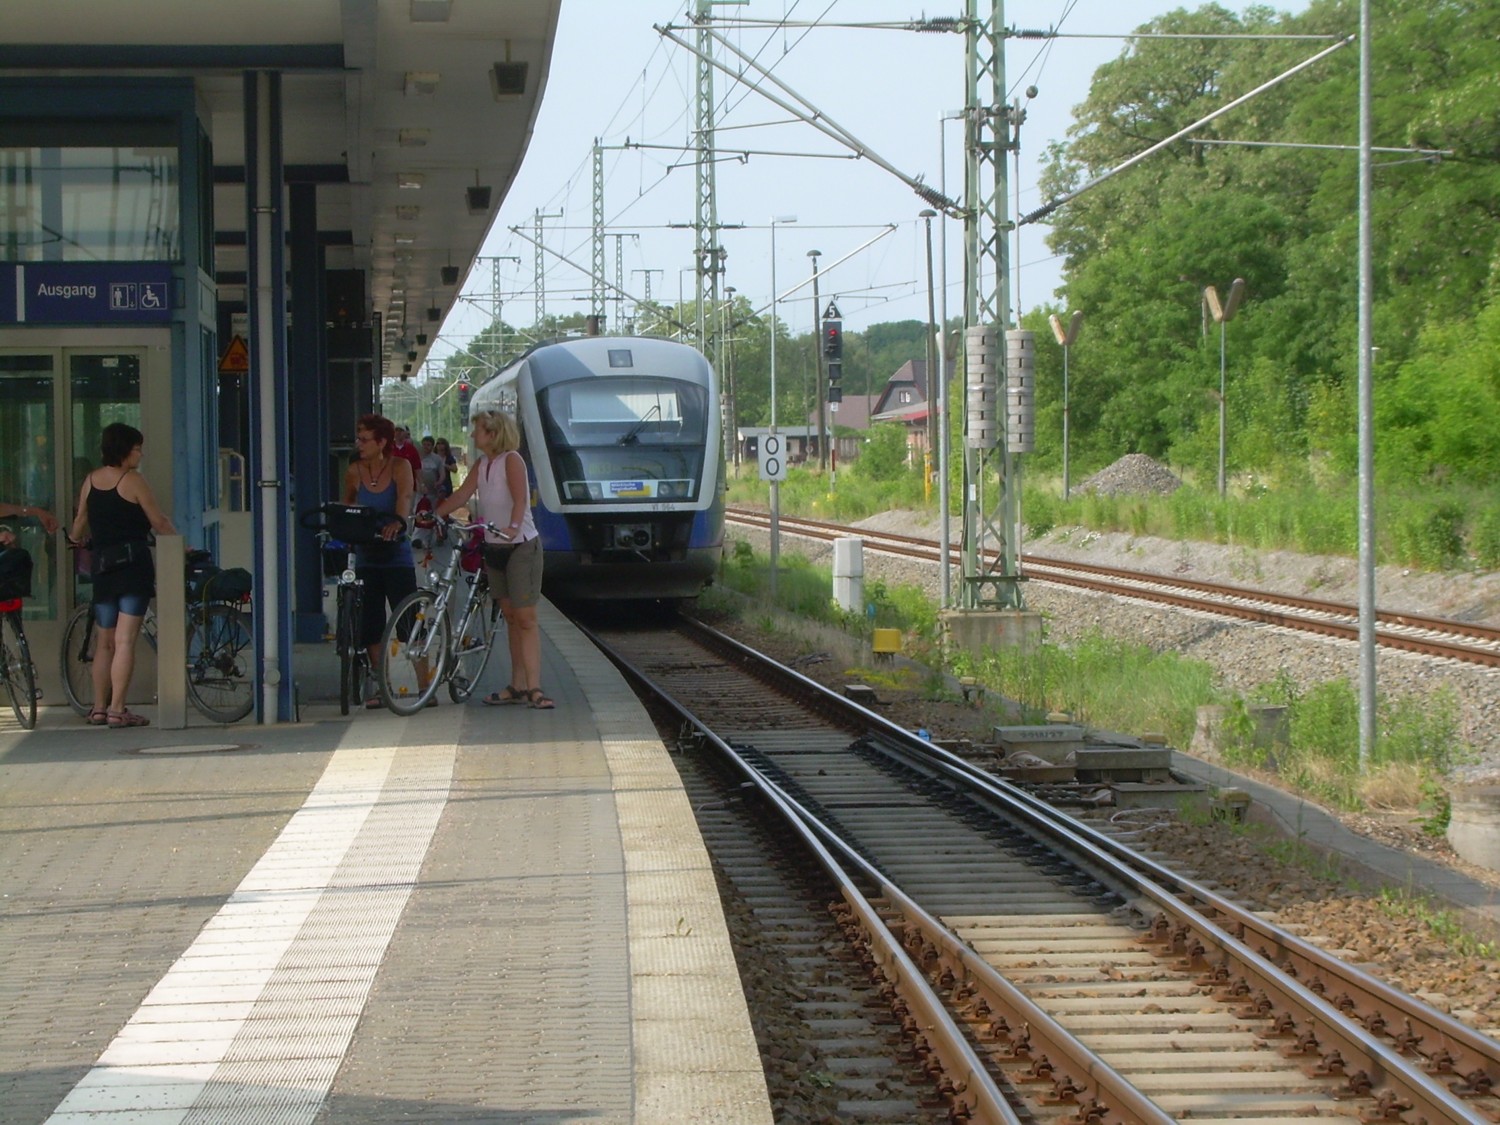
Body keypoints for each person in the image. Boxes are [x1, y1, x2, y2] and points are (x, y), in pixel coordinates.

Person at [431, 409, 551, 709]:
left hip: (520, 546)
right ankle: (517, 685)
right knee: (510, 616)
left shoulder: (512, 460)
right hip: (494, 548)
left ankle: (535, 688)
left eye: (478, 430)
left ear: (493, 434)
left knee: (525, 618)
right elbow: (462, 494)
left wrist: (513, 526)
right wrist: (435, 514)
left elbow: (521, 499)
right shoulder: (482, 464)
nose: (473, 435)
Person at [69, 422, 178, 729]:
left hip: (103, 568)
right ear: (124, 450)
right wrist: (179, 545)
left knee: (104, 642)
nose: (141, 454)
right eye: (137, 449)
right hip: (133, 568)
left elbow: (79, 522)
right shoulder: (134, 481)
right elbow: (158, 521)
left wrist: (75, 539)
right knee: (125, 640)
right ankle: (118, 709)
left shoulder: (91, 480)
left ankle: (99, 708)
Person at [343, 413, 425, 708]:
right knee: (371, 623)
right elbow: (348, 505)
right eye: (358, 438)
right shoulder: (354, 471)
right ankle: (382, 686)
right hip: (367, 554)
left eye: (364, 439)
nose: (359, 444)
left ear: (381, 442)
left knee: (408, 619)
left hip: (395, 554)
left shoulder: (400, 467)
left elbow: (404, 499)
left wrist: (398, 523)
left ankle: (424, 685)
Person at [390, 425, 425, 511]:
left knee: (407, 510)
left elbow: (417, 468)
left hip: (409, 486)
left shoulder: (411, 449)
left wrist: (422, 484)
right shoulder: (388, 448)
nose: (398, 433)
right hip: (391, 486)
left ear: (405, 433)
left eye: (401, 431)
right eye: (396, 430)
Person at [417, 434, 446, 511]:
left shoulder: (437, 458)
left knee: (432, 511)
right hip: (419, 492)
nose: (426, 447)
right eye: (424, 444)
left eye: (428, 445)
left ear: (433, 446)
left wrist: (439, 482)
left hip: (433, 492)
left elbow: (442, 474)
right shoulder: (417, 457)